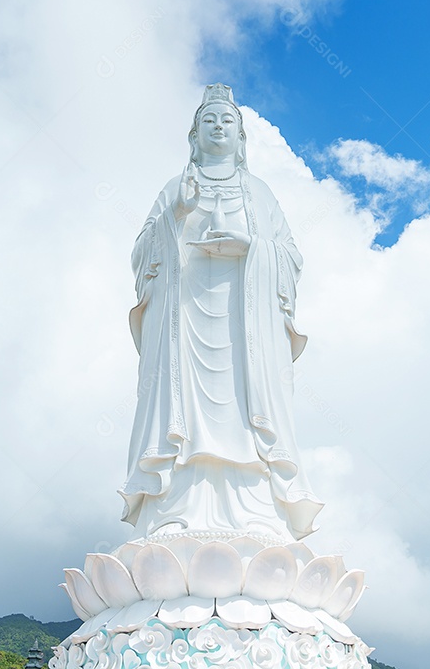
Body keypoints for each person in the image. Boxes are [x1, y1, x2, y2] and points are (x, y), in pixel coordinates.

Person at [119, 84, 322, 544]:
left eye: (227, 121)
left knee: (245, 412)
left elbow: (290, 256)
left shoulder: (260, 193)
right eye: (209, 120)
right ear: (194, 135)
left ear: (241, 136)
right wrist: (177, 213)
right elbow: (140, 258)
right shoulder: (174, 189)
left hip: (245, 327)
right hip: (183, 321)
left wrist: (251, 247)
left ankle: (255, 512)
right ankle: (174, 509)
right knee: (181, 413)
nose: (218, 127)